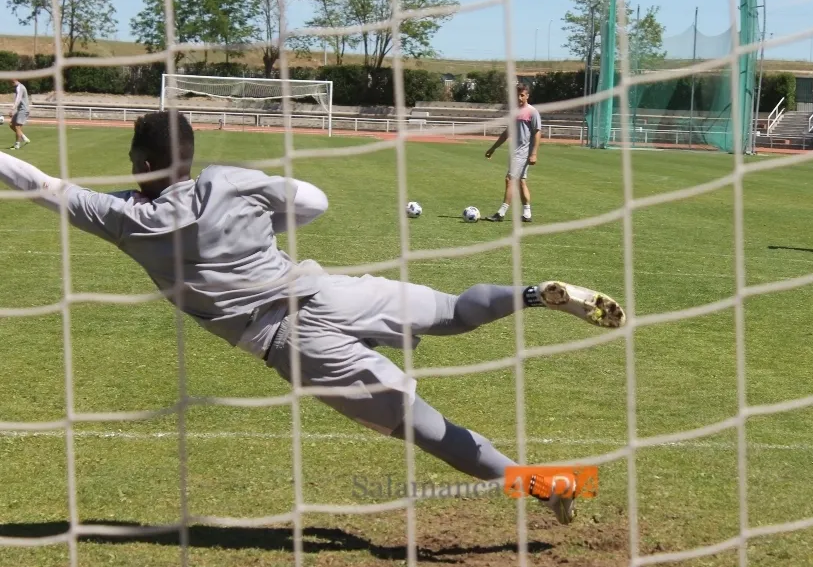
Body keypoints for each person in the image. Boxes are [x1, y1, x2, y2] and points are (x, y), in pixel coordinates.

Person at [0, 111, 626, 524]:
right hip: (325, 290)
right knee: (450, 310)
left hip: (290, 341)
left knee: (427, 429)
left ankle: (545, 486)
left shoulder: (125, 220)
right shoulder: (228, 181)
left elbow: (42, 185)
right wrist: (267, 222)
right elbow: (315, 202)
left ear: (141, 164)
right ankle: (533, 295)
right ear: (189, 155)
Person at [484, 83, 541, 223]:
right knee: (521, 181)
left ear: (527, 96)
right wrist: (493, 148)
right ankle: (527, 214)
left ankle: (501, 213)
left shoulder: (532, 112)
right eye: (517, 95)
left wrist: (534, 153)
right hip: (515, 152)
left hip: (523, 153)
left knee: (510, 180)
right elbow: (507, 132)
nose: (519, 98)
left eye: (522, 95)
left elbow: (537, 133)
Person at [8, 79, 31, 150]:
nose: (11, 85)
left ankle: (17, 145)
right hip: (20, 110)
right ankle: (24, 138)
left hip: (23, 110)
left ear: (14, 81)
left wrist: (12, 109)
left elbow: (18, 99)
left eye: (11, 83)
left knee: (17, 127)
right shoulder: (18, 87)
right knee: (11, 124)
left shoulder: (20, 87)